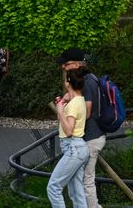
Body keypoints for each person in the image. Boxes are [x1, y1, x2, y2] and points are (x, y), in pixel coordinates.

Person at [57, 49, 105, 208]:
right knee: (80, 181)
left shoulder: (87, 82)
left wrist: (66, 112)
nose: (64, 67)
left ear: (78, 64)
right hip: (91, 137)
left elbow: (86, 111)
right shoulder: (89, 79)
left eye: (67, 64)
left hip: (91, 138)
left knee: (86, 181)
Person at [47, 67, 90, 208]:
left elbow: (69, 130)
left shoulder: (73, 105)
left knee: (53, 187)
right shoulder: (79, 100)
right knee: (77, 192)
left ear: (68, 82)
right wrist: (65, 101)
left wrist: (60, 111)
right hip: (79, 148)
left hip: (73, 148)